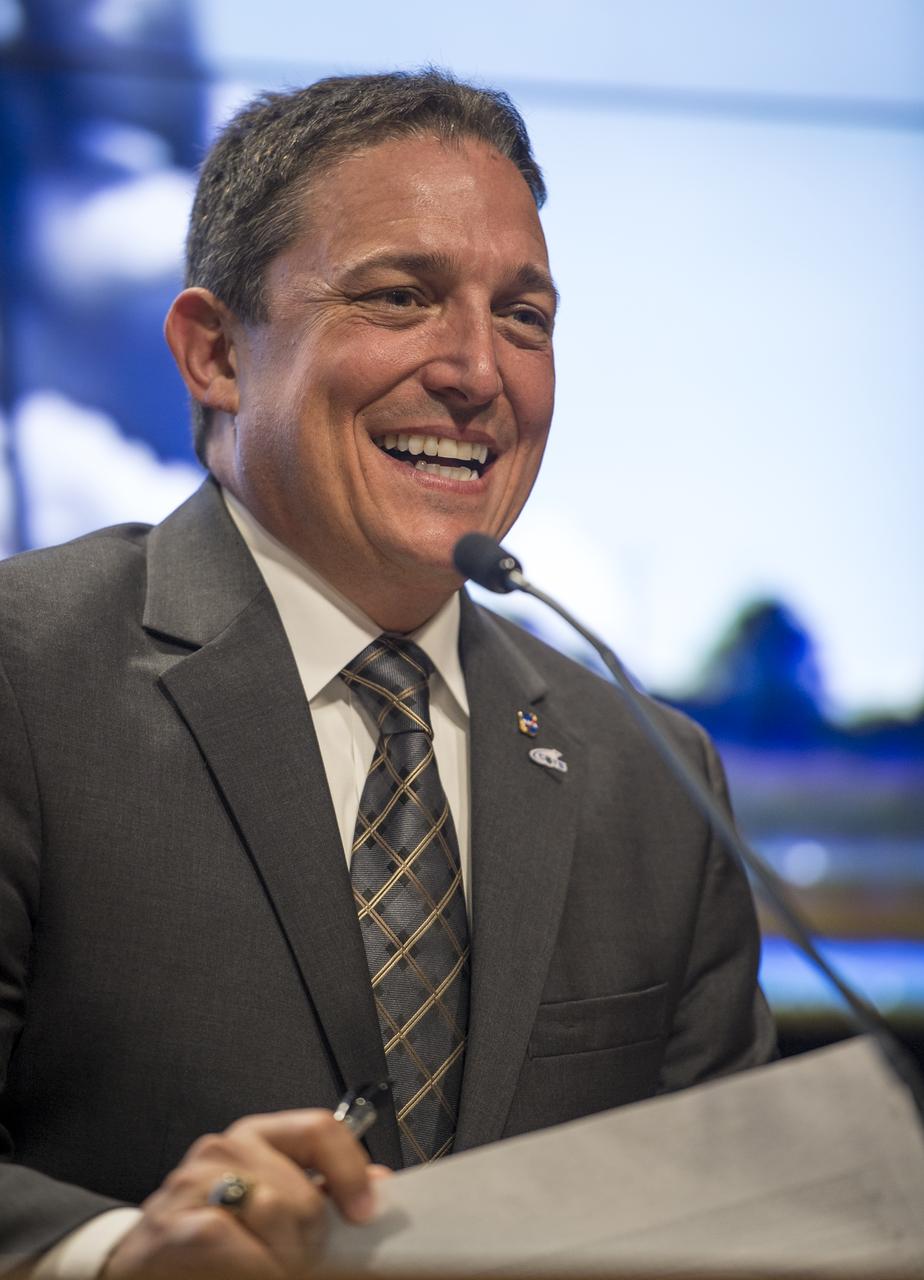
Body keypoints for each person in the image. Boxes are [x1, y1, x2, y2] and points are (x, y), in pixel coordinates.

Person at [0, 71, 776, 1277]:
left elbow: (729, 1218)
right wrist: (111, 1254)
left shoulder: (652, 778)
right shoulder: (23, 677)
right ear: (214, 351)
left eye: (524, 317)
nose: (477, 370)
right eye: (400, 297)